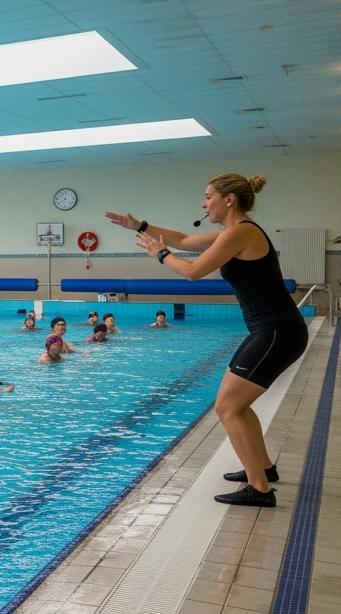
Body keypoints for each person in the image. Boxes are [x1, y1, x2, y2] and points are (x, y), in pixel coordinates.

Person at [109, 172, 306, 507]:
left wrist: (159, 253)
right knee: (236, 405)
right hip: (269, 330)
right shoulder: (232, 232)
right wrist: (139, 226)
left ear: (229, 199)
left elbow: (192, 270)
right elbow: (184, 240)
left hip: (277, 331)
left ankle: (259, 490)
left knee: (227, 407)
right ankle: (263, 469)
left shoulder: (242, 232)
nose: (203, 203)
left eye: (208, 197)